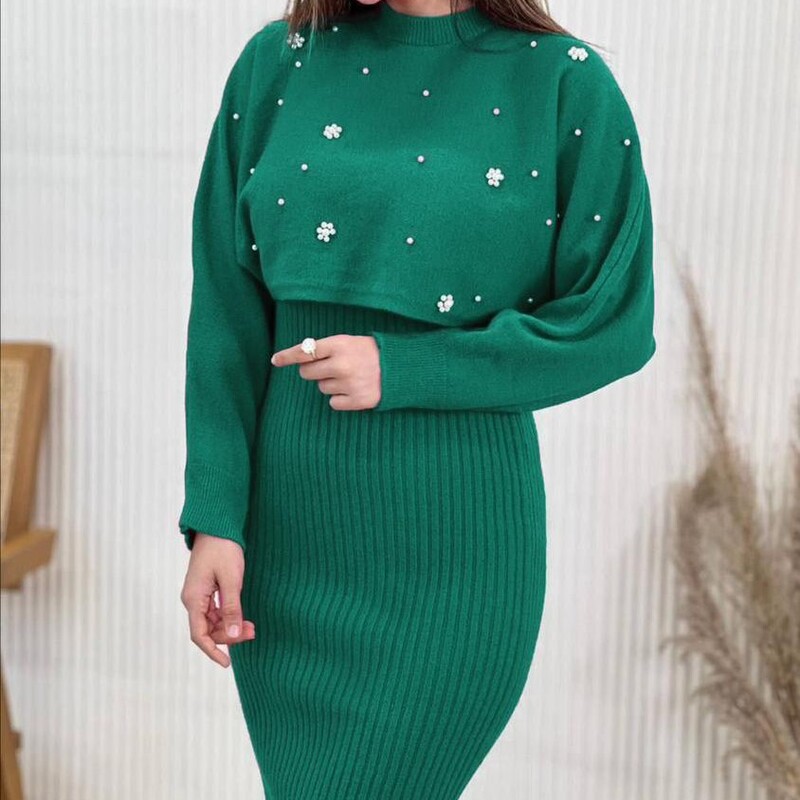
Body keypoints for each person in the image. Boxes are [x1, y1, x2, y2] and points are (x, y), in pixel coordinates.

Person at [177, 0, 656, 796]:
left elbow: (613, 324)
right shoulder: (279, 62)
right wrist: (214, 518)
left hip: (454, 554)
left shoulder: (562, 83)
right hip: (289, 553)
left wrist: (408, 368)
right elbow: (226, 316)